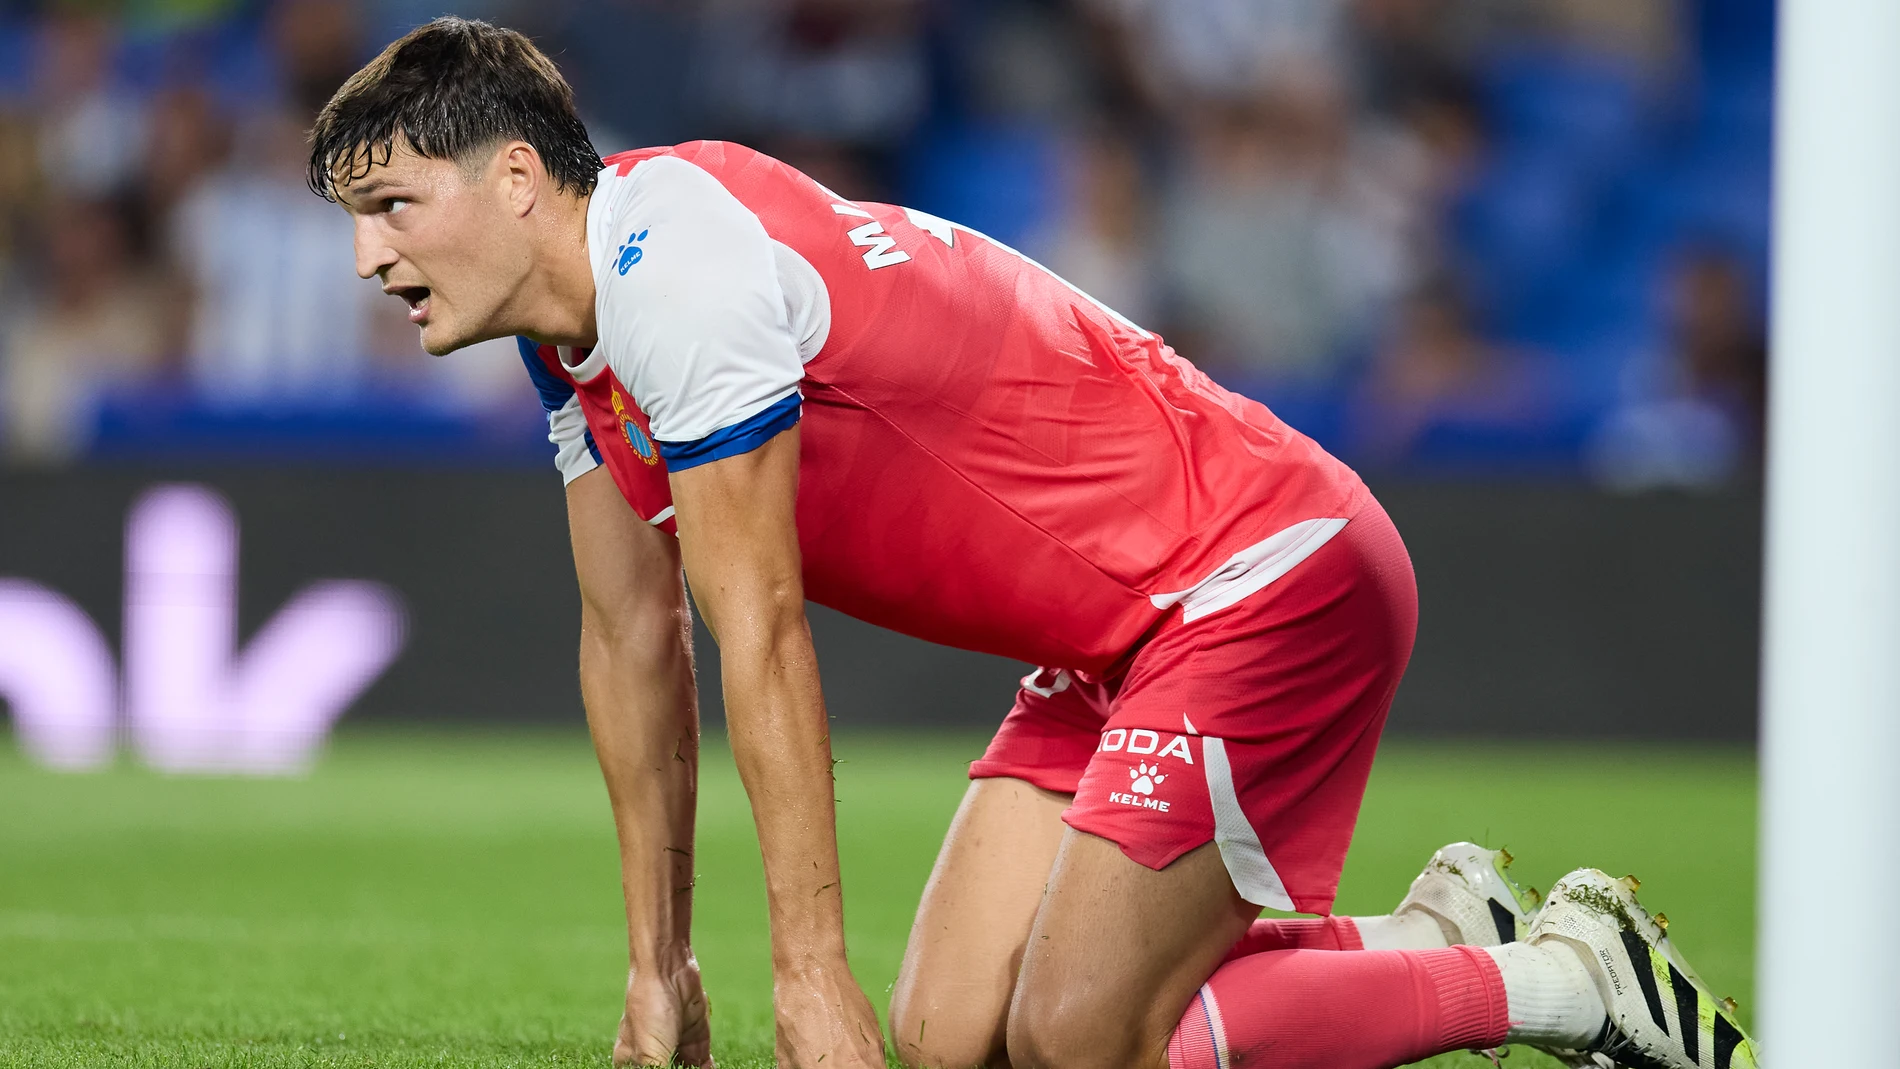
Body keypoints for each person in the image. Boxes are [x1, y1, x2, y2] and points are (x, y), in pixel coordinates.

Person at [306, 19, 1760, 1069]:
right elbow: (633, 642)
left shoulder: (671, 274)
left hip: (1260, 571)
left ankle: (1562, 980)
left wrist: (808, 982)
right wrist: (660, 970)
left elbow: (756, 630)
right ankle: (1423, 931)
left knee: (1078, 1041)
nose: (371, 259)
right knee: (949, 1043)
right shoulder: (579, 337)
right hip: (1117, 633)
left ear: (513, 180)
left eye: (389, 208)